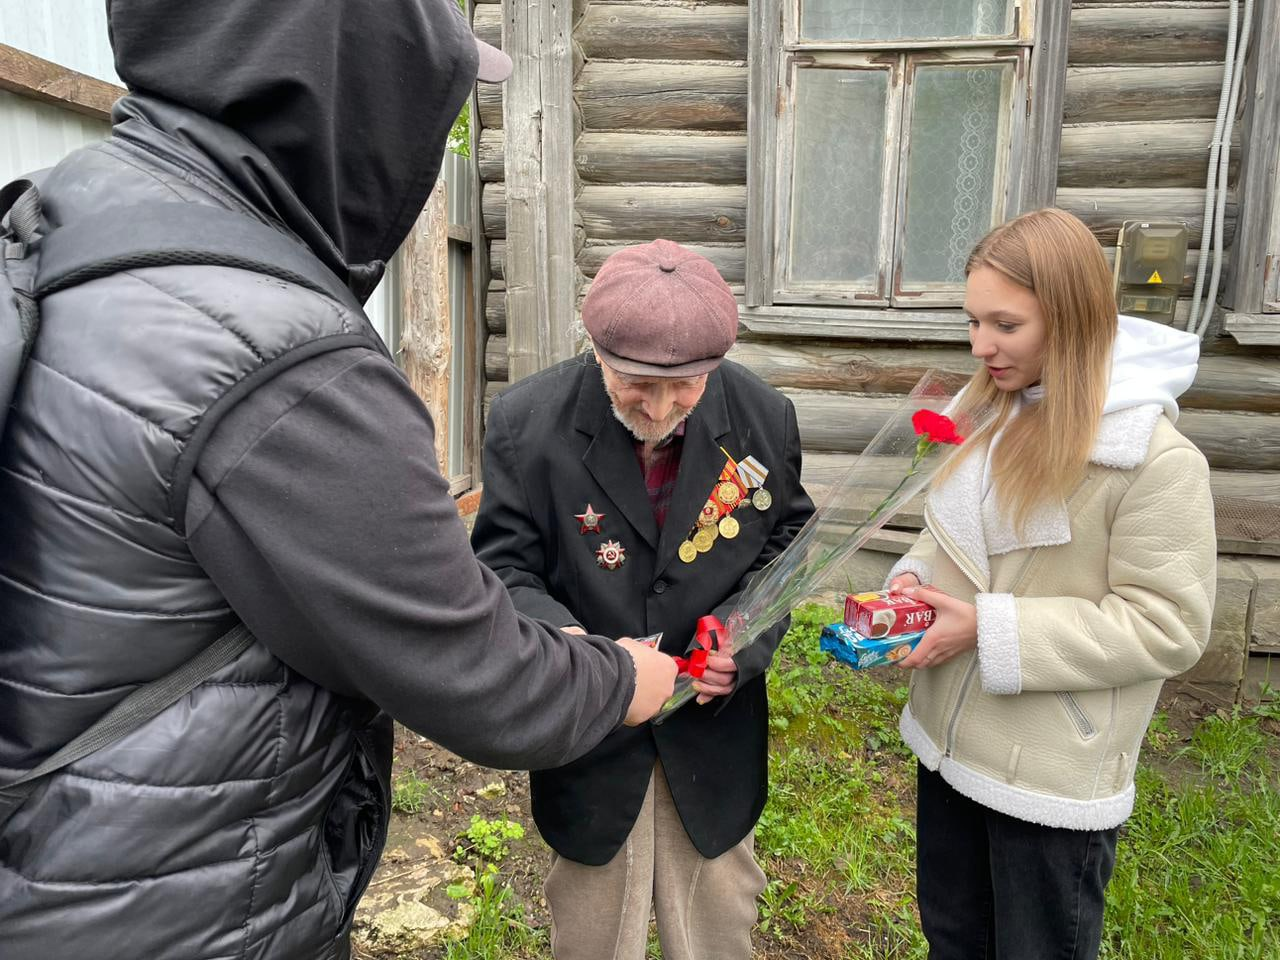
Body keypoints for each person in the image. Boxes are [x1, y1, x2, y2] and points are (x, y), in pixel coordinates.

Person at [0, 2, 677, 957]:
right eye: (428, 101)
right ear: (350, 89)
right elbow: (472, 674)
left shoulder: (67, 215)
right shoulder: (283, 362)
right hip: (172, 900)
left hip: (58, 855)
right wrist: (620, 678)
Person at [470, 238, 815, 960]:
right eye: (635, 383)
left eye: (686, 386)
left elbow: (786, 544)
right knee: (594, 936)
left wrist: (742, 640)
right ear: (596, 351)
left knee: (721, 928)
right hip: (594, 736)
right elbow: (504, 565)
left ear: (715, 365)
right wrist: (574, 649)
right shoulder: (526, 424)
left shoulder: (765, 418)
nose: (660, 408)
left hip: (715, 738)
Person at [885, 208, 1216, 959]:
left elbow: (1169, 625)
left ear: (1070, 319)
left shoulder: (1154, 460)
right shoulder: (993, 414)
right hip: (948, 748)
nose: (980, 346)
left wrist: (988, 628)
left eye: (1005, 324)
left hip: (1050, 779)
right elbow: (952, 538)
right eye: (973, 321)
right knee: (953, 940)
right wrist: (910, 586)